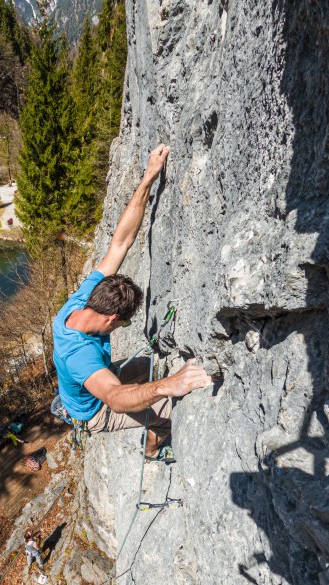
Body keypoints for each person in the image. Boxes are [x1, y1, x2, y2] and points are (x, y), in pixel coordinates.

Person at [51, 144, 212, 462]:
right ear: (112, 319)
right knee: (168, 410)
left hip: (99, 377)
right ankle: (151, 451)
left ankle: (152, 401)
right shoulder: (79, 355)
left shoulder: (84, 300)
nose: (121, 327)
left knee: (150, 367)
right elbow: (114, 397)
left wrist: (148, 178)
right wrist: (167, 386)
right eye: (123, 324)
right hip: (95, 411)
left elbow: (120, 243)